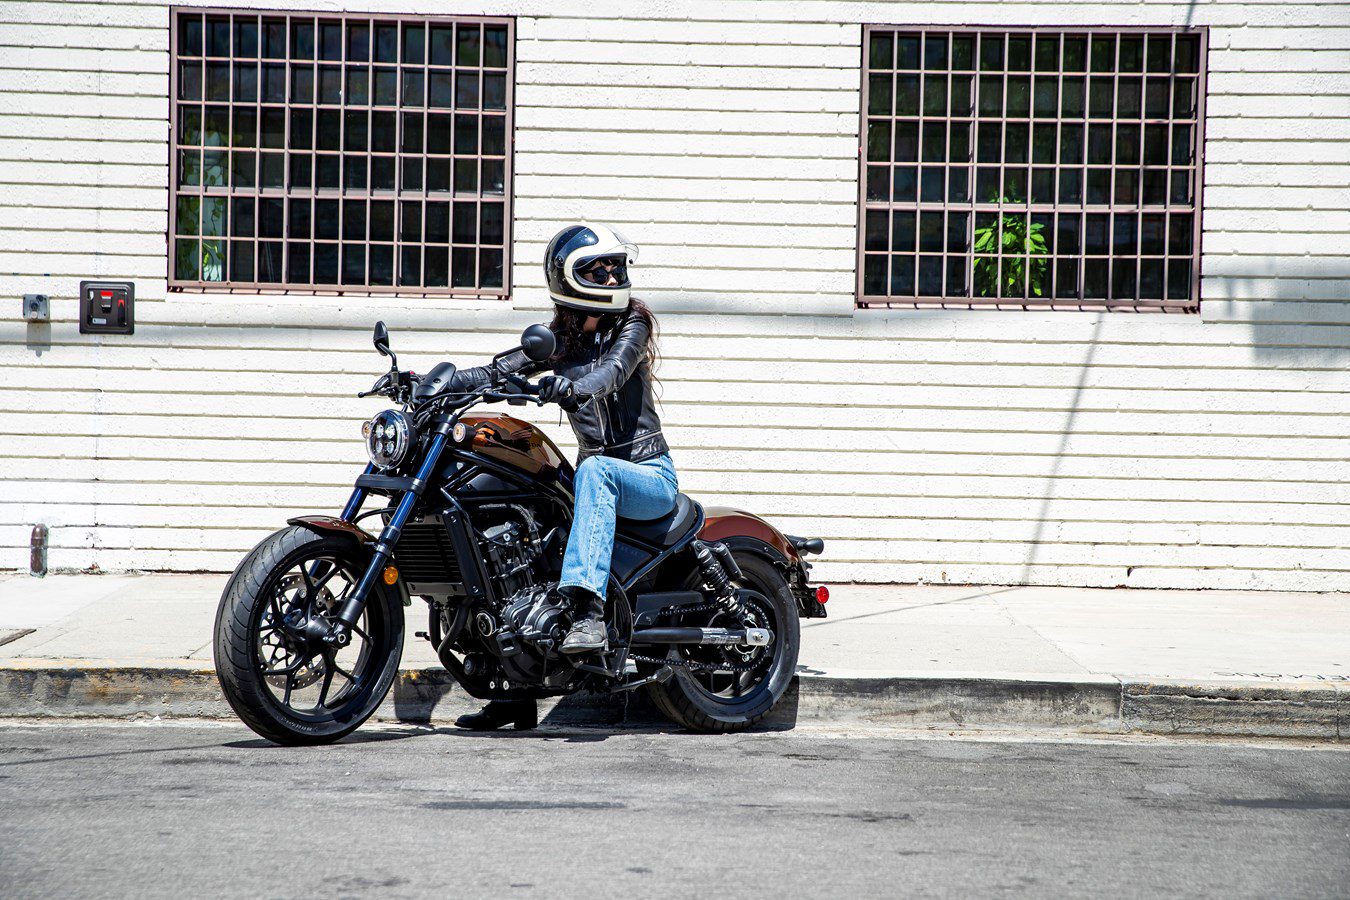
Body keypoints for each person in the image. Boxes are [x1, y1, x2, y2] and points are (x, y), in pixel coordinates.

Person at [450, 224, 676, 731]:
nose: (612, 275)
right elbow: (499, 369)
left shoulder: (632, 326)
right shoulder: (560, 340)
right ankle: (513, 690)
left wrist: (570, 387)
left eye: (615, 266)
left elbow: (611, 374)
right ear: (570, 279)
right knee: (525, 523)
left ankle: (588, 613)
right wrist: (433, 383)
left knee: (593, 468)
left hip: (646, 476)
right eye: (599, 269)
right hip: (598, 478)